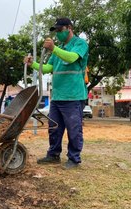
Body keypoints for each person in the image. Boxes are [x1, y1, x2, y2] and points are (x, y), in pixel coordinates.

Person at [24, 18, 89, 169]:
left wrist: (54, 49)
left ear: (70, 28)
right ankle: (53, 155)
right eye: (57, 31)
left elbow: (72, 57)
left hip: (73, 96)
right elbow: (47, 68)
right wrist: (32, 64)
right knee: (54, 128)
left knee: (74, 129)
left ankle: (74, 158)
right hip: (58, 96)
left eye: (61, 30)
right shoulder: (59, 48)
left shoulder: (80, 44)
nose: (58, 33)